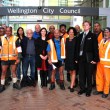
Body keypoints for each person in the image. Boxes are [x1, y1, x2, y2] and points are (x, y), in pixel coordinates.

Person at [76, 21, 99, 97]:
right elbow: (77, 48)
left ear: (89, 26)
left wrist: (95, 59)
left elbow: (96, 48)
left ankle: (88, 90)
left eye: (87, 25)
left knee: (89, 75)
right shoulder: (80, 35)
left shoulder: (92, 36)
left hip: (89, 59)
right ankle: (82, 88)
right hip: (81, 59)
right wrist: (76, 58)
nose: (85, 26)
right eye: (84, 25)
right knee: (81, 75)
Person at [0, 27, 22, 92]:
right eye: (6, 31)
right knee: (3, 72)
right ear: (5, 31)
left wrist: (18, 58)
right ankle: (2, 85)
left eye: (9, 31)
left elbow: (19, 49)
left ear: (11, 31)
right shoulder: (1, 38)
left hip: (13, 59)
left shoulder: (15, 38)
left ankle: (15, 84)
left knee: (14, 72)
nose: (7, 32)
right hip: (4, 59)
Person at [93, 27, 110, 98]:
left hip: (107, 64)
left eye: (107, 32)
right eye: (105, 32)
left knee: (107, 78)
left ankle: (106, 91)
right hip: (99, 63)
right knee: (99, 76)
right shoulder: (102, 41)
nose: (105, 33)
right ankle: (99, 89)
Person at [65, 27, 77, 92]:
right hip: (68, 58)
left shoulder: (76, 39)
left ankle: (71, 86)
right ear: (68, 32)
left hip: (74, 58)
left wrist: (76, 58)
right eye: (70, 32)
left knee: (73, 71)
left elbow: (78, 49)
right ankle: (74, 83)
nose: (71, 33)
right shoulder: (66, 39)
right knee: (69, 71)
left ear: (74, 33)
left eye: (72, 32)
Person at [92, 22, 104, 87]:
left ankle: (102, 83)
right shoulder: (92, 34)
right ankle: (95, 81)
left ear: (100, 26)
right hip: (94, 55)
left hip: (101, 56)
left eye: (97, 26)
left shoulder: (103, 34)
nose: (96, 27)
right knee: (94, 69)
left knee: (101, 71)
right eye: (95, 26)